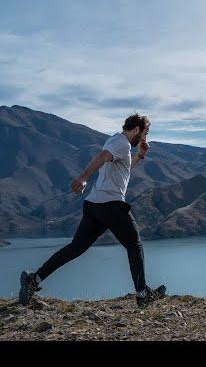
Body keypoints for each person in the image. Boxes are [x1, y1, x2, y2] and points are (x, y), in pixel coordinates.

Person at [19, 113, 166, 308]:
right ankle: (142, 294)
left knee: (76, 248)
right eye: (145, 133)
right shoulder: (121, 144)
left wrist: (140, 155)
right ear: (137, 130)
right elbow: (102, 157)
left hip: (94, 205)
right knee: (135, 245)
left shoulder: (117, 142)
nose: (145, 138)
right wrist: (83, 177)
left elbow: (123, 172)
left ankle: (34, 280)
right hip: (110, 205)